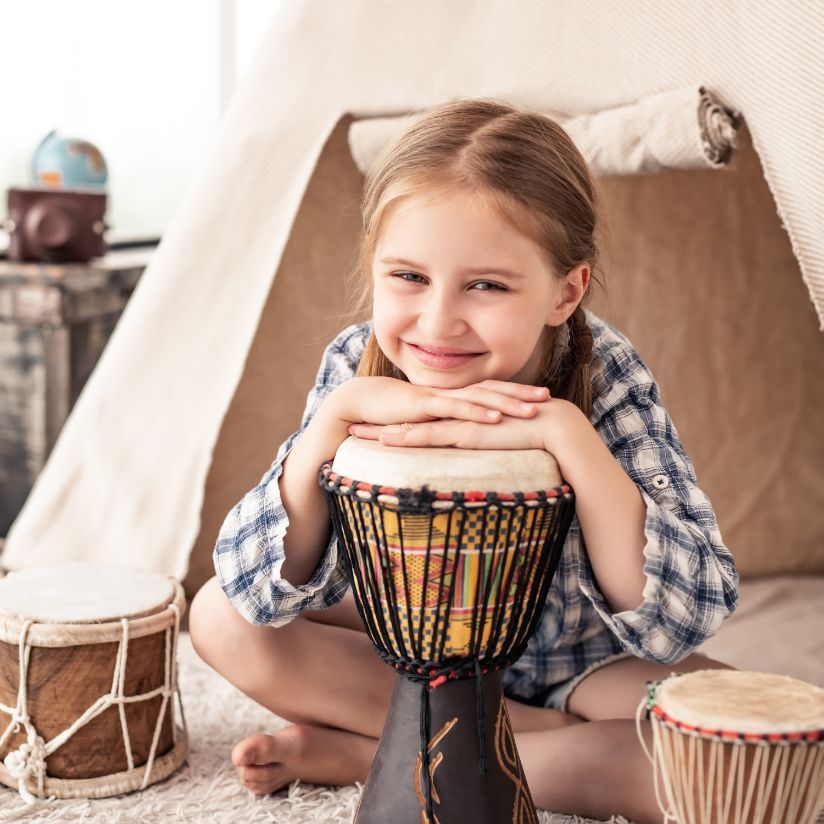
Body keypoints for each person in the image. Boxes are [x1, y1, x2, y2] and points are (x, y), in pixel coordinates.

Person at [189, 98, 738, 823]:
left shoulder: (604, 373)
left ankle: (386, 755)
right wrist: (329, 427)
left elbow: (689, 613)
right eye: (408, 277)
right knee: (219, 619)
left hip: (580, 658)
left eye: (486, 285)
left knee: (743, 763)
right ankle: (479, 742)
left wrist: (571, 438)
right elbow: (257, 590)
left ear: (564, 291)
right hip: (412, 652)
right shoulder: (360, 364)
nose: (438, 322)